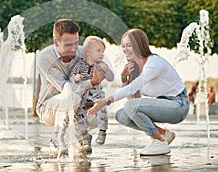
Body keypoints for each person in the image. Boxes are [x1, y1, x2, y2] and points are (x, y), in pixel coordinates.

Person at [88, 28, 190, 156]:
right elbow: (131, 98)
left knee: (130, 107)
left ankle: (159, 142)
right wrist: (124, 77)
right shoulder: (135, 67)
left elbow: (132, 91)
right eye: (123, 46)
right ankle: (164, 134)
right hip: (166, 104)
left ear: (139, 45)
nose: (125, 49)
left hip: (178, 106)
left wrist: (105, 101)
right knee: (122, 115)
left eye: (129, 45)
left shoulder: (153, 63)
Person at [36, 19, 104, 156]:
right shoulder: (44, 57)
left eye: (76, 43)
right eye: (68, 45)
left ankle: (80, 136)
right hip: (48, 108)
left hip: (76, 102)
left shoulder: (83, 53)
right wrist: (91, 82)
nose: (74, 48)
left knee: (99, 108)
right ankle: (56, 140)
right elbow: (66, 88)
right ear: (56, 42)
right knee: (72, 97)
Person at [70, 36, 114, 150]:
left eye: (103, 52)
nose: (102, 54)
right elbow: (71, 76)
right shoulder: (80, 64)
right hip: (84, 96)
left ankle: (102, 131)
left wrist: (107, 70)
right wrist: (76, 77)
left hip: (97, 94)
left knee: (102, 108)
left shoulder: (101, 64)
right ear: (88, 52)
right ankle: (85, 137)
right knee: (79, 114)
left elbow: (111, 78)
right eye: (98, 51)